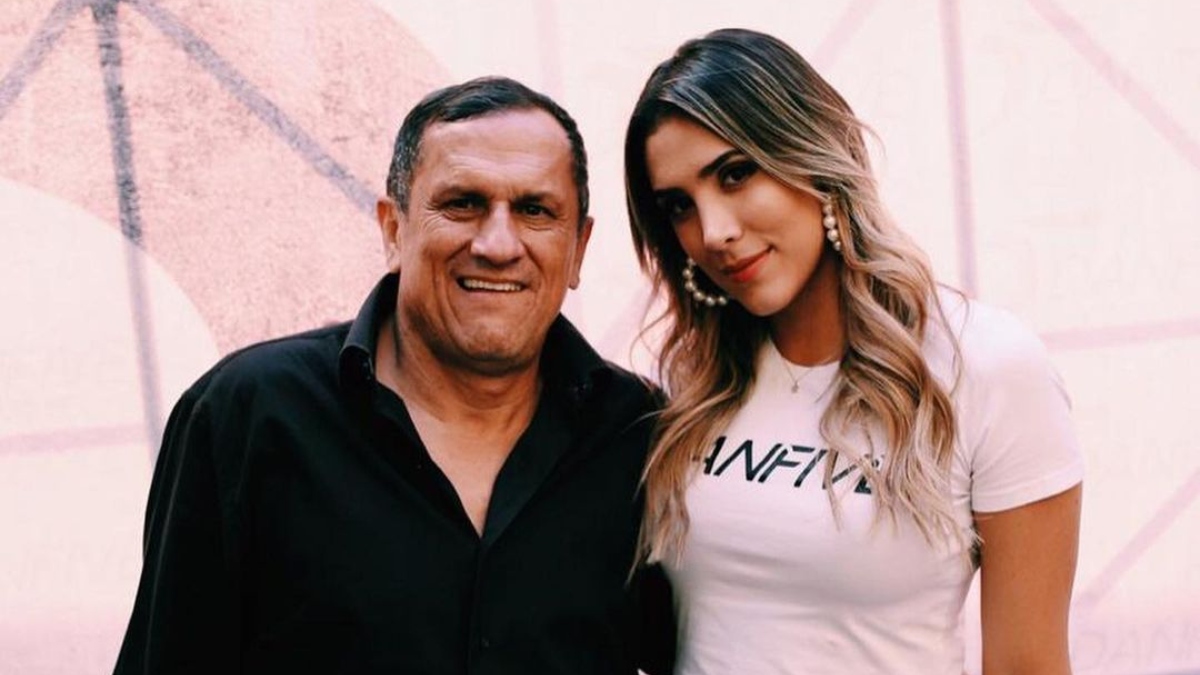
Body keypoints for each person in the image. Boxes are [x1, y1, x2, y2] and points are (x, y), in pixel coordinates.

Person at [114, 76, 674, 675]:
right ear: (393, 229)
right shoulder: (248, 415)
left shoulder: (641, 438)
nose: (497, 244)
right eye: (462, 203)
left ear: (578, 248)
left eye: (535, 211)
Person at [624, 29, 1083, 675]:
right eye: (679, 206)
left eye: (735, 173)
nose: (714, 232)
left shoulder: (986, 366)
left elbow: (1026, 664)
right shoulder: (693, 380)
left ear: (815, 156)